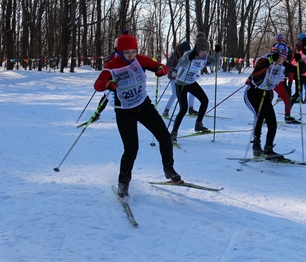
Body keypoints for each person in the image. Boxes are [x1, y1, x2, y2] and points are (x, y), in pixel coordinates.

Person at [93, 31, 182, 197]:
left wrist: (161, 70)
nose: (131, 56)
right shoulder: (112, 66)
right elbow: (98, 85)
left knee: (164, 137)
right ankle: (123, 182)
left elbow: (161, 67)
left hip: (144, 106)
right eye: (126, 52)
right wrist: (108, 84)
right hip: (125, 111)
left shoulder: (140, 59)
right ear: (119, 52)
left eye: (133, 51)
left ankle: (169, 169)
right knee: (131, 148)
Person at [244, 43, 306, 161]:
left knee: (272, 121)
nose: (281, 61)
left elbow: (301, 71)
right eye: (279, 58)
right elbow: (256, 74)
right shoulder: (264, 60)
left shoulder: (284, 65)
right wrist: (270, 62)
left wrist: (300, 61)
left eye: (283, 58)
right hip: (252, 93)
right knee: (260, 115)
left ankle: (268, 148)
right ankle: (256, 145)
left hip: (266, 94)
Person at [171, 32, 221, 143]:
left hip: (191, 82)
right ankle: (174, 133)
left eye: (206, 52)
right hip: (181, 83)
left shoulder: (205, 57)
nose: (204, 54)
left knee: (205, 100)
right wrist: (189, 58)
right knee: (183, 109)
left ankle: (199, 124)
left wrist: (218, 53)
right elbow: (182, 64)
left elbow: (216, 63)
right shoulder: (189, 53)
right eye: (202, 51)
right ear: (197, 49)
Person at [161, 41, 198, 118]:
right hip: (174, 77)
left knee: (192, 92)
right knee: (175, 94)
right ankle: (166, 110)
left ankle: (191, 108)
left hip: (185, 77)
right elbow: (168, 65)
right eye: (185, 51)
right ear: (181, 50)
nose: (186, 52)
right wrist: (173, 72)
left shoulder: (189, 55)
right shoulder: (175, 55)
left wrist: (194, 72)